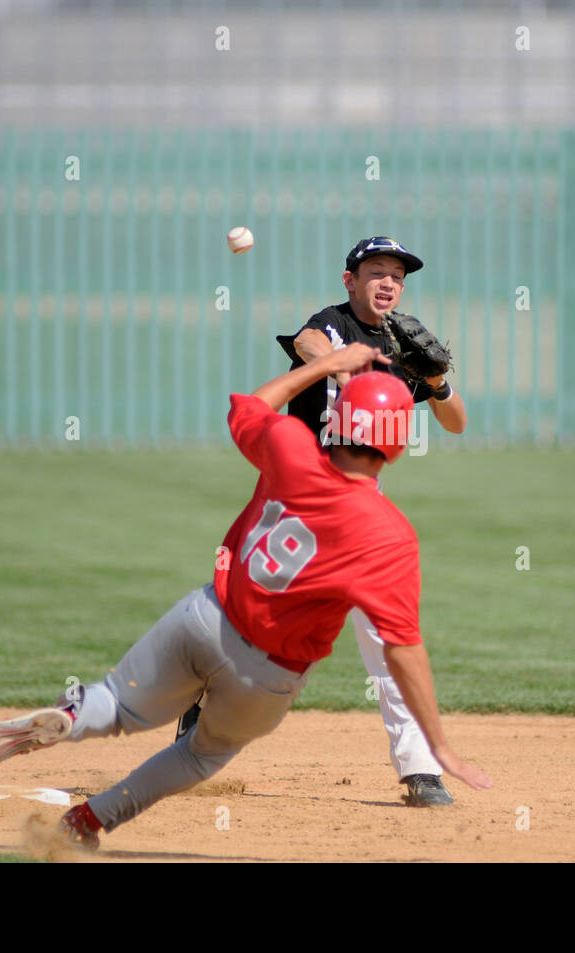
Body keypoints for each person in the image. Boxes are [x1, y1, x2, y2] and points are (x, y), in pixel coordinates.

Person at [0, 342, 492, 849]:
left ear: (338, 420)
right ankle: (89, 818)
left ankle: (71, 719)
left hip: (205, 619)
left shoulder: (290, 448)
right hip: (265, 678)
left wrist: (323, 367)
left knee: (118, 703)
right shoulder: (388, 533)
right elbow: (402, 648)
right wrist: (439, 745)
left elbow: (254, 405)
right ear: (399, 442)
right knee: (199, 756)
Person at [176, 236, 466, 808]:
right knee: (253, 628)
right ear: (349, 280)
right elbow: (308, 342)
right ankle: (204, 701)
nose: (388, 282)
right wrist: (347, 368)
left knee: (386, 634)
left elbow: (455, 421)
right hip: (296, 497)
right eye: (376, 271)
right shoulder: (331, 326)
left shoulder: (405, 344)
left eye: (397, 276)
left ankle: (419, 769)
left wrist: (433, 382)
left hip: (360, 509)